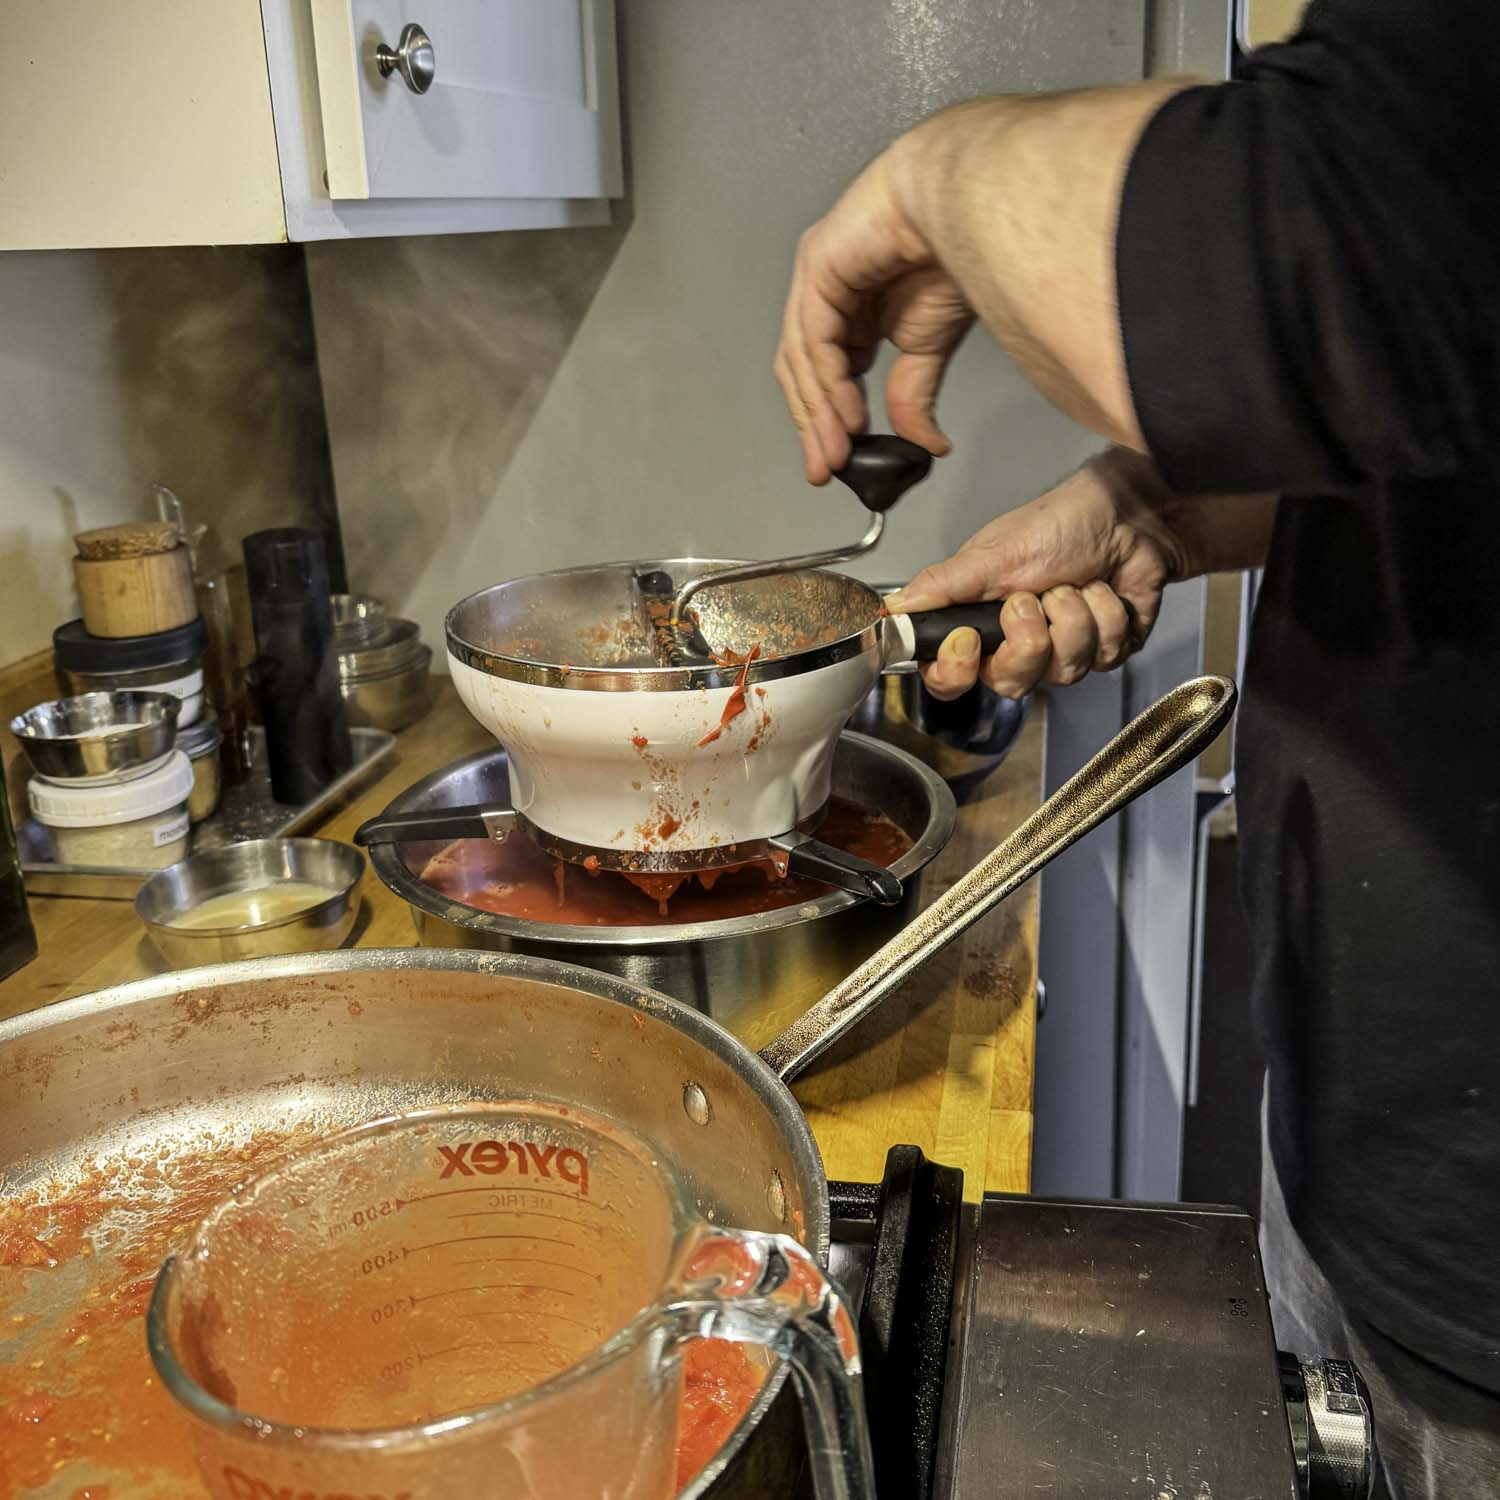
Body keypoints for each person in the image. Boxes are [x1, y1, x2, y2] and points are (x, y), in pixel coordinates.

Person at [774, 2, 1500, 1495]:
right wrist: (1153, 510)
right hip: (1361, 1142)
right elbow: (1438, 400)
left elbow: (1292, 257)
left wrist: (932, 175)